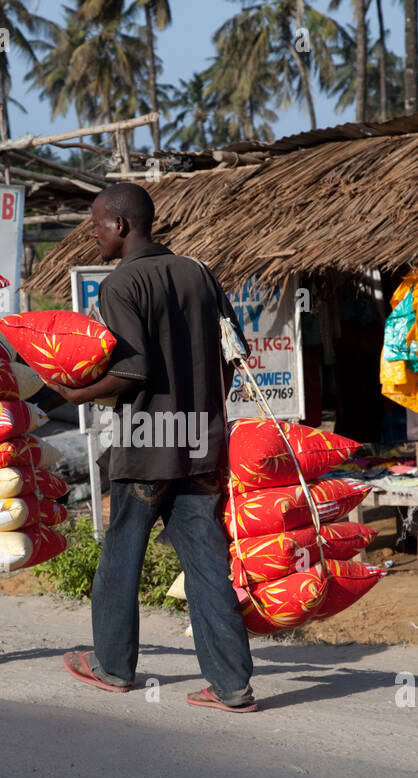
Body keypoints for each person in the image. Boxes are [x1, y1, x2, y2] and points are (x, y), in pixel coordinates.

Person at [52, 183, 258, 713]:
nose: (94, 235)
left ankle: (114, 667)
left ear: (121, 226)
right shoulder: (199, 272)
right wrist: (206, 414)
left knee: (122, 552)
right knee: (208, 562)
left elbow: (132, 370)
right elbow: (236, 352)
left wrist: (75, 392)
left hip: (146, 446)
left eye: (97, 225)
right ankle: (231, 683)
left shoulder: (120, 285)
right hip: (199, 445)